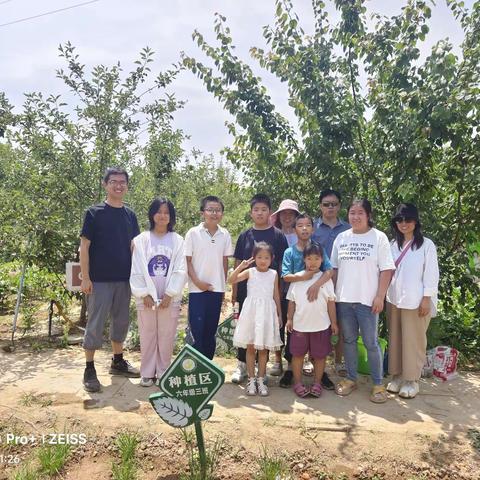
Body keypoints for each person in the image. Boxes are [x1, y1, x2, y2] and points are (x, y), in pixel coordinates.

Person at [80, 167, 140, 393]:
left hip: (124, 279)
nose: (119, 185)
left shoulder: (130, 215)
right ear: (105, 184)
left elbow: (134, 247)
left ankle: (117, 360)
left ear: (126, 185)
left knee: (121, 321)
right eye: (114, 181)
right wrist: (85, 277)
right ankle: (89, 368)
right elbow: (84, 246)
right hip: (99, 280)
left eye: (122, 182)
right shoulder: (94, 212)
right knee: (95, 324)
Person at [332, 199, 395, 404]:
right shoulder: (341, 238)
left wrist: (380, 296)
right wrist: (332, 297)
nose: (355, 217)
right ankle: (351, 378)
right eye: (352, 213)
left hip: (368, 301)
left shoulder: (379, 238)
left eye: (360, 213)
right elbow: (334, 270)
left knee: (371, 342)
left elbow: (387, 269)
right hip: (344, 300)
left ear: (368, 215)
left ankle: (378, 384)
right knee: (348, 340)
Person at [231, 194, 288, 384]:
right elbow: (238, 261)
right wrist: (234, 290)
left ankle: (273, 364)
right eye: (256, 209)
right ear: (251, 213)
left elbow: (282, 264)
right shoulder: (244, 235)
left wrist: (280, 289)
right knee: (247, 326)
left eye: (264, 209)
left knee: (267, 325)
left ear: (270, 213)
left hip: (270, 289)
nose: (260, 213)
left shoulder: (278, 235)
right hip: (247, 289)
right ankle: (242, 365)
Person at [130, 198, 186, 387]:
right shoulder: (141, 240)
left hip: (169, 298)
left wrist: (170, 294)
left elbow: (180, 268)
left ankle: (163, 372)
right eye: (159, 211)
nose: (162, 216)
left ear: (171, 216)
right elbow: (136, 267)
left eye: (166, 212)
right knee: (147, 334)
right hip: (145, 297)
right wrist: (143, 293)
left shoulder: (178, 240)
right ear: (152, 214)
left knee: (166, 335)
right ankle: (147, 372)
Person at [386, 203, 439, 399]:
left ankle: (412, 380)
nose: (404, 223)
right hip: (394, 299)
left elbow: (432, 275)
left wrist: (426, 298)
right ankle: (397, 376)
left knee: (414, 340)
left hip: (416, 301)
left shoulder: (426, 245)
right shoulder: (392, 245)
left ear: (415, 221)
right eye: (399, 220)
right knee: (396, 338)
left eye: (408, 219)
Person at [280, 214, 334, 390]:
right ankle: (292, 374)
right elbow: (286, 276)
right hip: (295, 299)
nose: (304, 228)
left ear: (313, 228)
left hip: (317, 299)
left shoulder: (319, 249)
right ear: (294, 229)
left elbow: (329, 271)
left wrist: (316, 285)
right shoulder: (290, 251)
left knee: (318, 346)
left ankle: (319, 377)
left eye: (307, 225)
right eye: (300, 225)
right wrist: (304, 276)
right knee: (295, 344)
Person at [229, 242, 283, 396]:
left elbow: (276, 295)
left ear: (271, 259)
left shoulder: (273, 274)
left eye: (266, 257)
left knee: (264, 348)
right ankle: (251, 380)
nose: (263, 260)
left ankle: (261, 379)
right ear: (254, 258)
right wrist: (241, 266)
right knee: (251, 346)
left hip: (267, 312)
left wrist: (279, 314)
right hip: (251, 312)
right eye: (259, 257)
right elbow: (231, 280)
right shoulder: (250, 272)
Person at [286, 243, 339, 397]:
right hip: (300, 326)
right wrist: (289, 319)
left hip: (321, 326)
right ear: (304, 259)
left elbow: (331, 302)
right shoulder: (298, 278)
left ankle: (317, 382)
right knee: (297, 356)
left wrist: (334, 322)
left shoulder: (325, 280)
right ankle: (297, 382)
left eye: (317, 258)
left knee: (320, 356)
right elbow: (291, 301)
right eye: (309, 258)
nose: (313, 262)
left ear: (322, 260)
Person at [184, 196, 234, 359]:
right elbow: (187, 261)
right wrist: (198, 282)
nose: (214, 213)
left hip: (216, 290)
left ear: (222, 213)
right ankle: (194, 368)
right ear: (202, 213)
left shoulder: (225, 234)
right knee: (196, 330)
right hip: (196, 290)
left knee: (211, 330)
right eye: (210, 210)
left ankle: (207, 368)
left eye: (218, 210)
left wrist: (223, 285)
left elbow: (225, 261)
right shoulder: (193, 233)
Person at [312, 189, 350, 376]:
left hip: (343, 282)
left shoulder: (348, 229)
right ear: (320, 206)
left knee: (340, 324)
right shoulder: (313, 228)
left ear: (339, 206)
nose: (330, 207)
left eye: (334, 204)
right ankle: (313, 361)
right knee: (316, 322)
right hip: (317, 283)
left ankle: (338, 360)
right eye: (326, 204)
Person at [269, 199, 300, 376]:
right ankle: (277, 360)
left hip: (298, 286)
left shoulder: (302, 234)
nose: (287, 217)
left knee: (296, 324)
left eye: (291, 214)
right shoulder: (274, 235)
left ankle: (293, 360)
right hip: (278, 286)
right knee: (279, 323)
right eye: (284, 213)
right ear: (279, 216)